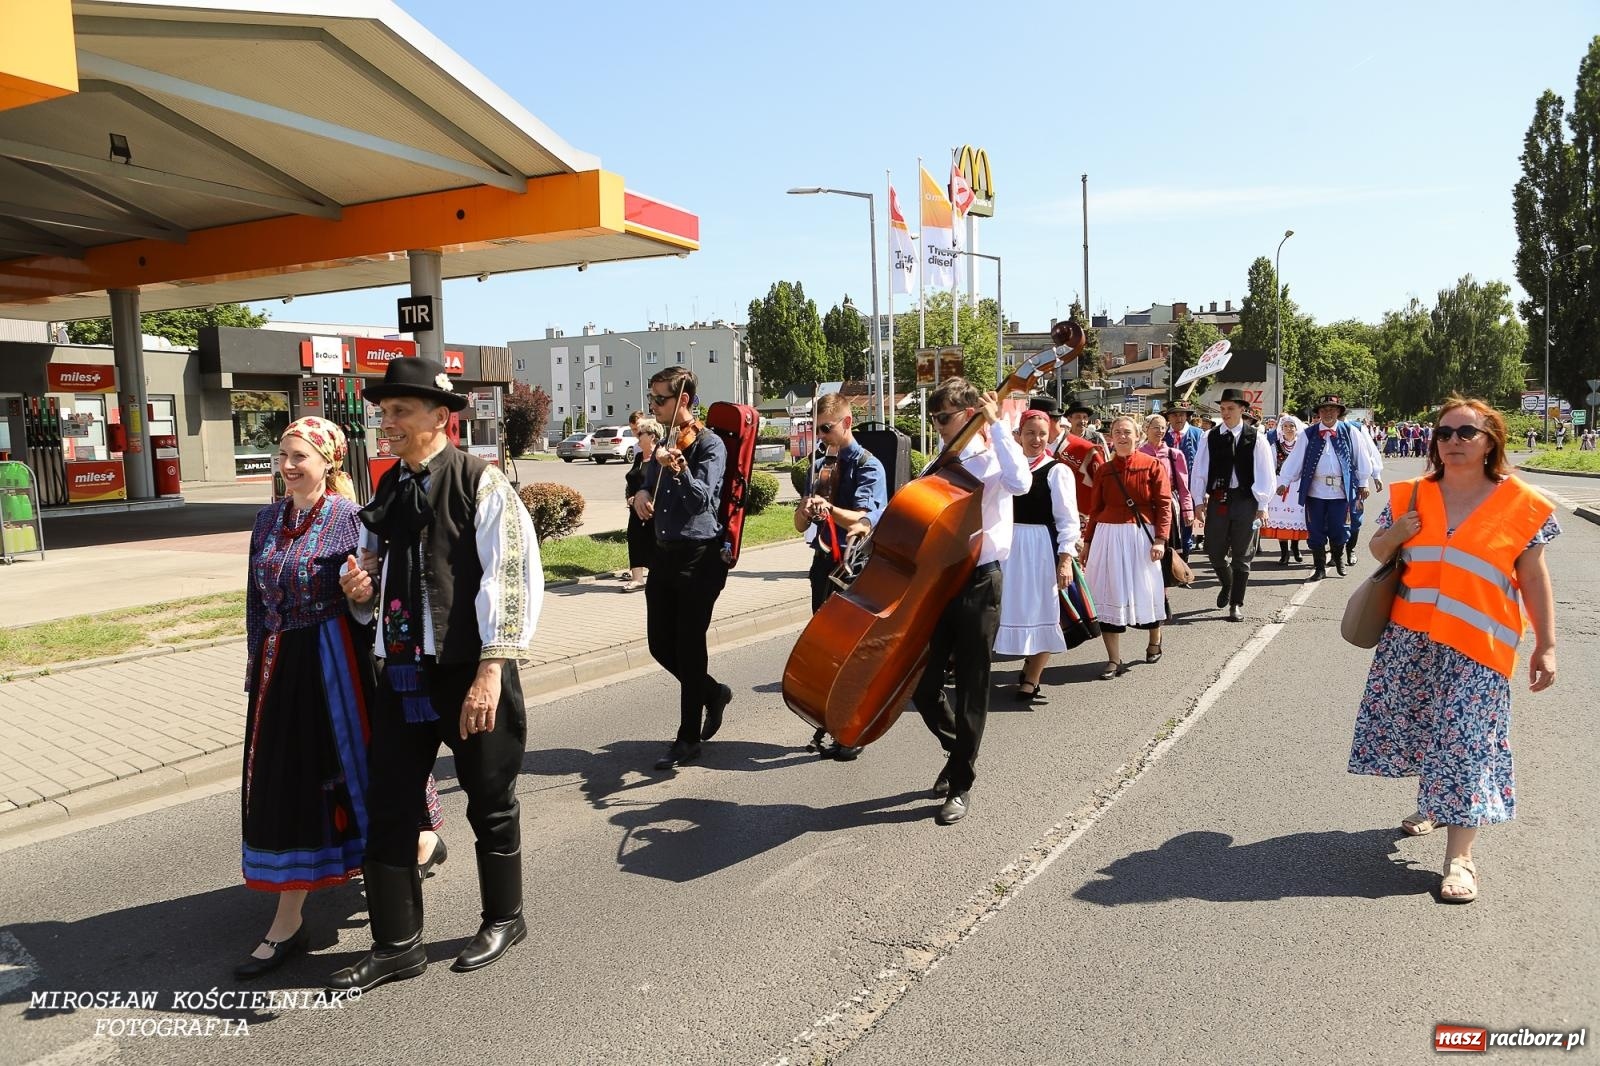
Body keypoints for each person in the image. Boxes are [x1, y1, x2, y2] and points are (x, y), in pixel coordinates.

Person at [331, 357, 542, 992]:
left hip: (470, 672)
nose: (385, 421)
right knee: (391, 803)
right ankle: (397, 944)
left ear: (438, 417)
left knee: (490, 799)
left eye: (398, 411)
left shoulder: (482, 483)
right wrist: (358, 589)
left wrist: (490, 673)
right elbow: (378, 579)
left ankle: (505, 917)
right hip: (401, 673)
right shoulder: (390, 487)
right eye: (384, 410)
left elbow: (511, 578)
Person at [235, 417, 445, 980]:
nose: (287, 466)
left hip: (337, 664)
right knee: (285, 785)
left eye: (299, 456)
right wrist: (256, 667)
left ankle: (416, 840)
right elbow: (255, 603)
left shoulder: (350, 518)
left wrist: (364, 591)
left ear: (328, 462)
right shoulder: (264, 521)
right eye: (282, 454)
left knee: (360, 771)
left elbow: (376, 595)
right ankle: (289, 915)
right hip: (282, 669)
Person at [1348, 397, 1558, 905]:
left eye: (1466, 433)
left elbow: (1533, 576)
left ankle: (1459, 857)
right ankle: (1433, 799)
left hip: (1479, 645)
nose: (1453, 443)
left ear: (1491, 441)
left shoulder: (1522, 504)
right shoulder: (1411, 495)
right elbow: (1378, 553)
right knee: (1425, 728)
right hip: (1413, 638)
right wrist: (1397, 532)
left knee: (1466, 741)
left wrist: (1547, 645)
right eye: (1444, 433)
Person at [913, 376, 1031, 825]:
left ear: (969, 414)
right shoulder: (943, 461)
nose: (938, 425)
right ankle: (958, 748)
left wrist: (998, 425)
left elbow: (1020, 483)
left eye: (944, 417)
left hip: (981, 579)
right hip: (940, 581)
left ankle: (960, 783)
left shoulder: (996, 454)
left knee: (971, 687)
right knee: (922, 684)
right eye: (935, 417)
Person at [639, 365, 733, 771]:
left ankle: (687, 739)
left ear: (684, 401)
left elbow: (702, 503)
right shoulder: (663, 440)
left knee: (690, 647)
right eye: (653, 397)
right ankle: (712, 693)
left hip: (700, 556)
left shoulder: (710, 445)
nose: (653, 405)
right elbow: (642, 477)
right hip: (664, 553)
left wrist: (678, 469)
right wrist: (641, 490)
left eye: (660, 399)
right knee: (660, 644)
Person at [794, 392, 887, 757]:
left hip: (854, 566)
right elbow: (799, 524)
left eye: (826, 428)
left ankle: (853, 730)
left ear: (846, 423)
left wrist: (829, 508)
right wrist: (806, 508)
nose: (821, 436)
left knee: (852, 653)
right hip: (822, 562)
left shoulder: (869, 465)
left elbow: (866, 521)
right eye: (816, 429)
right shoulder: (819, 465)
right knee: (825, 650)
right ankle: (828, 719)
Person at [995, 409, 1080, 701]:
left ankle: (1032, 676)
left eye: (1042, 434)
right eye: (1030, 433)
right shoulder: (1007, 467)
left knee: (1042, 608)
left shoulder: (1057, 471)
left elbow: (1069, 519)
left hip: (1039, 547)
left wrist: (1065, 558)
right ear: (1018, 435)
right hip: (1006, 544)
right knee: (1005, 606)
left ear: (1050, 435)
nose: (1036, 439)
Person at [1082, 416, 1171, 676]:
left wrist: (1160, 539)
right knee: (1109, 593)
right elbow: (1095, 509)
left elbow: (1164, 505)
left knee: (1146, 591)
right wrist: (1087, 541)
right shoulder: (1104, 470)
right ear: (1111, 436)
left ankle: (1154, 639)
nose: (1122, 436)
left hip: (1139, 536)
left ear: (1138, 435)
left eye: (1127, 432)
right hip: (1107, 536)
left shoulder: (1152, 465)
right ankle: (1114, 659)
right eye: (1117, 432)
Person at [1189, 389, 1275, 622]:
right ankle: (1227, 584)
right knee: (1214, 552)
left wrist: (1262, 504)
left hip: (1246, 501)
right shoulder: (1210, 437)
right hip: (1218, 499)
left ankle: (1236, 603)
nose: (1225, 413)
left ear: (1242, 410)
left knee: (1242, 555)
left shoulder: (1256, 438)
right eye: (1223, 409)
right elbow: (1199, 471)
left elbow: (1266, 474)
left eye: (1230, 409)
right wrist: (1198, 500)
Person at [1276, 395, 1371, 580]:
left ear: (1338, 412)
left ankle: (1338, 557)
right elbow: (1295, 459)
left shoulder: (1350, 432)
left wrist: (1363, 482)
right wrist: (1284, 481)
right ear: (1319, 413)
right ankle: (1319, 567)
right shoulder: (1308, 434)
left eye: (1332, 409)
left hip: (1340, 492)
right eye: (1324, 410)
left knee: (1340, 528)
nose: (1328, 413)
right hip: (1315, 491)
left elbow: (1362, 458)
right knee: (1315, 530)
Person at [1262, 414, 1307, 566]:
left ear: (1296, 428)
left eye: (1291, 426)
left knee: (1297, 519)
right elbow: (1270, 466)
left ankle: (1295, 547)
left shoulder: (1302, 445)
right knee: (1280, 519)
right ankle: (1284, 553)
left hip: (1297, 486)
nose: (1288, 429)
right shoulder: (1275, 446)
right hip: (1280, 485)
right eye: (1285, 426)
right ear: (1281, 429)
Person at [618, 411, 654, 592]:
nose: (637, 436)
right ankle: (637, 579)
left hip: (650, 510)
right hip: (634, 509)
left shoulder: (658, 459)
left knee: (652, 542)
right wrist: (630, 497)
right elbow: (632, 479)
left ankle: (656, 576)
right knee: (634, 540)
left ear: (652, 436)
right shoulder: (639, 457)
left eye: (641, 434)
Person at [1345, 416, 1386, 566]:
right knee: (1330, 518)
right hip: (1330, 484)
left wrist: (1376, 475)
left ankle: (1350, 550)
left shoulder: (1357, 428)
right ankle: (1334, 551)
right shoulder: (1323, 428)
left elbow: (1370, 452)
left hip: (1355, 480)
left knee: (1355, 517)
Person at [1163, 405, 1203, 556]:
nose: (1178, 418)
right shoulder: (1162, 434)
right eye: (1174, 415)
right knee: (1169, 525)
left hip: (1191, 488)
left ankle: (1184, 560)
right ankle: (1170, 561)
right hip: (1168, 489)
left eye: (1182, 414)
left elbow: (1205, 463)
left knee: (1187, 524)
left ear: (1187, 416)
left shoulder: (1198, 434)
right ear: (1168, 417)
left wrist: (1203, 491)